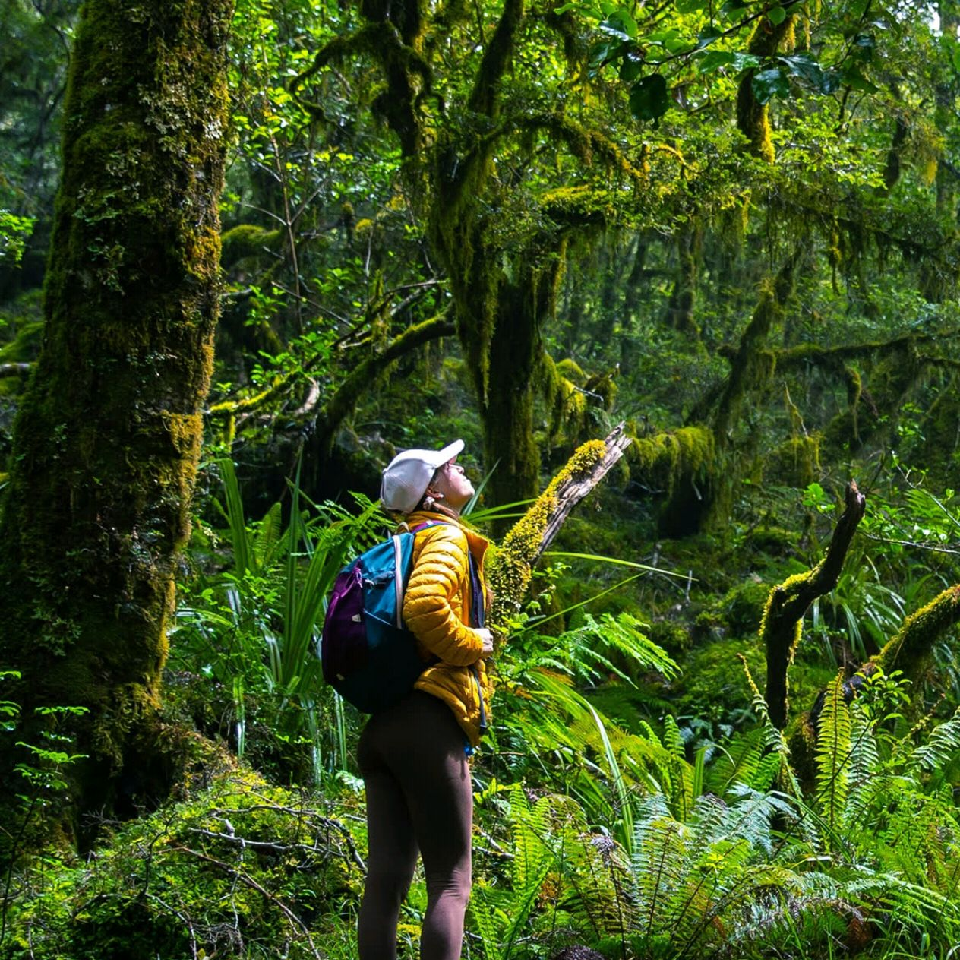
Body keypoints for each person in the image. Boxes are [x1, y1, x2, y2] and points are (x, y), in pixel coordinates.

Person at [358, 439, 495, 960]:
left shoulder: (401, 547)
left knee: (386, 881)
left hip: (384, 726)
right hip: (427, 722)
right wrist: (473, 643)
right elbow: (425, 609)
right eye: (448, 466)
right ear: (432, 493)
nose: (460, 468)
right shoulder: (443, 540)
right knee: (451, 880)